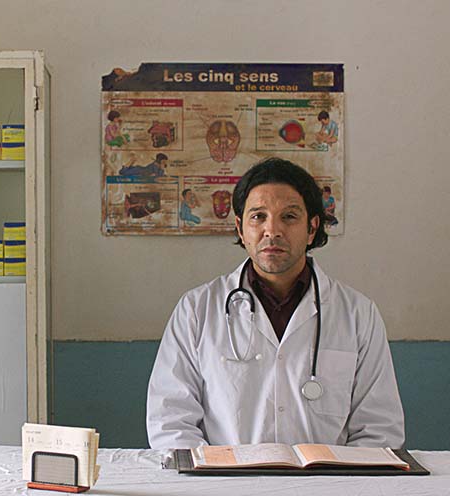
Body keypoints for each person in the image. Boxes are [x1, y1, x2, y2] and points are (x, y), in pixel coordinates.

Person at [146, 157, 404, 450]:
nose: (272, 230)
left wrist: (339, 477)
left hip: (328, 479)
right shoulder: (196, 309)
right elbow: (171, 420)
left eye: (289, 217)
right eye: (258, 216)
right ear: (240, 228)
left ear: (312, 228)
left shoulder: (357, 314)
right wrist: (215, 474)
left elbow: (379, 429)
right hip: (224, 477)